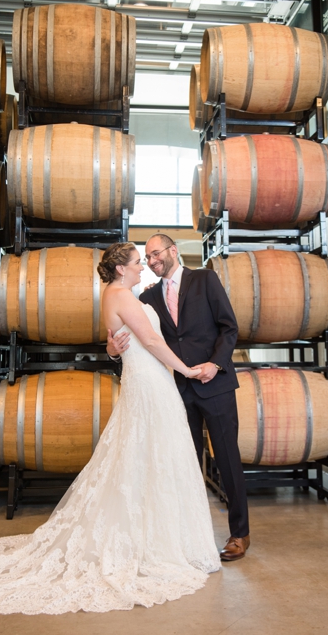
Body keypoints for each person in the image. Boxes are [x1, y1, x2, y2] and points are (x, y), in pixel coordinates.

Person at [0, 242, 221, 615]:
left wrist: (114, 350)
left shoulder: (115, 295)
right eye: (136, 263)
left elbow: (114, 343)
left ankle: (156, 535)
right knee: (152, 452)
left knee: (145, 454)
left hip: (143, 378)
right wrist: (188, 369)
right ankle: (156, 543)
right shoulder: (122, 296)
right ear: (120, 269)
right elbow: (149, 340)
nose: (142, 268)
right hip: (149, 381)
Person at [106, 233, 249, 562]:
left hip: (216, 386)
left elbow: (229, 328)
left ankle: (240, 534)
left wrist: (215, 364)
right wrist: (112, 350)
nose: (153, 261)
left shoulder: (205, 279)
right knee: (183, 464)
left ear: (173, 251)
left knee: (227, 461)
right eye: (147, 257)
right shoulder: (147, 296)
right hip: (178, 392)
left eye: (157, 254)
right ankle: (190, 539)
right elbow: (131, 334)